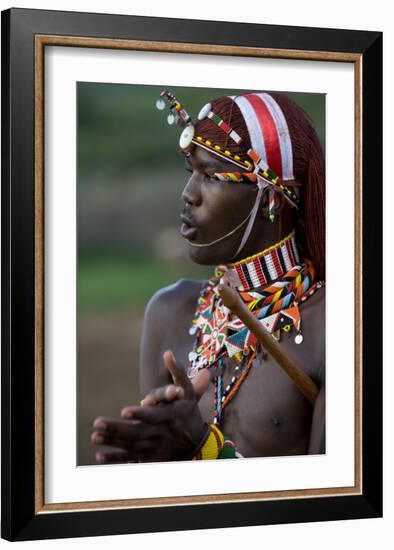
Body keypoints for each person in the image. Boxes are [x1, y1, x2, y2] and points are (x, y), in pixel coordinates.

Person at [91, 89, 325, 463]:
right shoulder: (169, 311)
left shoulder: (335, 326)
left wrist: (204, 449)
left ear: (270, 199)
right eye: (191, 173)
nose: (188, 194)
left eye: (212, 176)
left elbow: (327, 509)